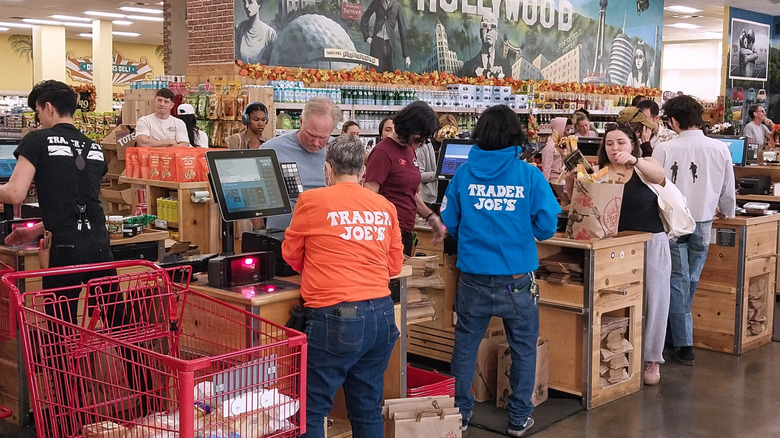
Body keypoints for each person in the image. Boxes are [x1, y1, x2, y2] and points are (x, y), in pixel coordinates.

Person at [0, 80, 126, 434]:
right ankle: (145, 400)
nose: (38, 118)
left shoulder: (37, 140)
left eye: (37, 111)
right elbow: (80, 203)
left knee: (60, 334)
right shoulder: (94, 146)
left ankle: (67, 416)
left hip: (66, 251)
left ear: (47, 107)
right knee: (122, 325)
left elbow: (14, 191)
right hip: (100, 246)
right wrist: (37, 229)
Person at [440, 104, 560, 437]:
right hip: (516, 279)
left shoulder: (463, 174)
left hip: (473, 278)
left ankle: (461, 414)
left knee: (465, 346)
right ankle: (519, 418)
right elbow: (548, 225)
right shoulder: (529, 175)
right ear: (514, 136)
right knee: (523, 347)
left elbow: (449, 221)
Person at [282, 135, 404, 438]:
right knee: (366, 407)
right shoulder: (384, 206)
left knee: (311, 409)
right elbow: (394, 266)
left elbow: (291, 255)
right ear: (363, 171)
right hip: (382, 316)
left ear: (328, 168)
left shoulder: (312, 201)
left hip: (336, 316)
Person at [653, 95, 736, 366]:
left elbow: (654, 187)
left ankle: (680, 343)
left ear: (674, 121)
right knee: (688, 281)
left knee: (678, 281)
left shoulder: (664, 149)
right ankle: (678, 341)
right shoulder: (720, 148)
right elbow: (727, 188)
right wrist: (728, 212)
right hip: (704, 221)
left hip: (673, 222)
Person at [587, 123, 670, 385]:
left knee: (655, 299)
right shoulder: (600, 173)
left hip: (651, 241)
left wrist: (634, 160)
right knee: (616, 300)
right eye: (609, 144)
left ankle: (652, 358)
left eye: (621, 142)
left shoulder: (645, 166)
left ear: (632, 143)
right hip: (615, 246)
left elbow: (660, 176)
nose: (615, 149)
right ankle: (617, 355)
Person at [364, 101, 444, 255]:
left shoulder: (409, 150)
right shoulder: (382, 152)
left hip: (405, 230)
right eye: (416, 139)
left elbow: (409, 191)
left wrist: (430, 216)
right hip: (387, 233)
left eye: (421, 142)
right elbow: (369, 195)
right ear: (406, 128)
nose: (416, 145)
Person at [262, 97, 341, 231]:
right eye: (310, 134)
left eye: (323, 138)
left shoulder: (339, 150)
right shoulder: (271, 150)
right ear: (300, 121)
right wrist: (260, 232)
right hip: (283, 234)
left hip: (326, 234)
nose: (316, 143)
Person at [360, 0, 410, 73]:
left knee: (389, 73)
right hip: (377, 42)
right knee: (374, 71)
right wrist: (367, 37)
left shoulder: (397, 5)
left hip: (390, 44)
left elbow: (402, 29)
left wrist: (406, 55)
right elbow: (364, 18)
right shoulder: (377, 2)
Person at [459, 11, 511, 79]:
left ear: (496, 34)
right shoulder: (469, 66)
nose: (489, 29)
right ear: (481, 33)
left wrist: (503, 76)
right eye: (485, 25)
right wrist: (483, 72)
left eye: (493, 26)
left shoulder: (506, 66)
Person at [235, 0, 276, 65]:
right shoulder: (239, 29)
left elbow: (274, 62)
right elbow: (235, 59)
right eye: (245, 2)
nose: (246, 6)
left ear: (259, 4)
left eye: (250, 2)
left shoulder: (270, 33)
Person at [540, 117, 569, 184]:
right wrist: (545, 186)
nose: (568, 133)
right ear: (560, 129)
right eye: (567, 130)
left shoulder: (564, 143)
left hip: (564, 180)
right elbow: (546, 168)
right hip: (553, 182)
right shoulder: (549, 146)